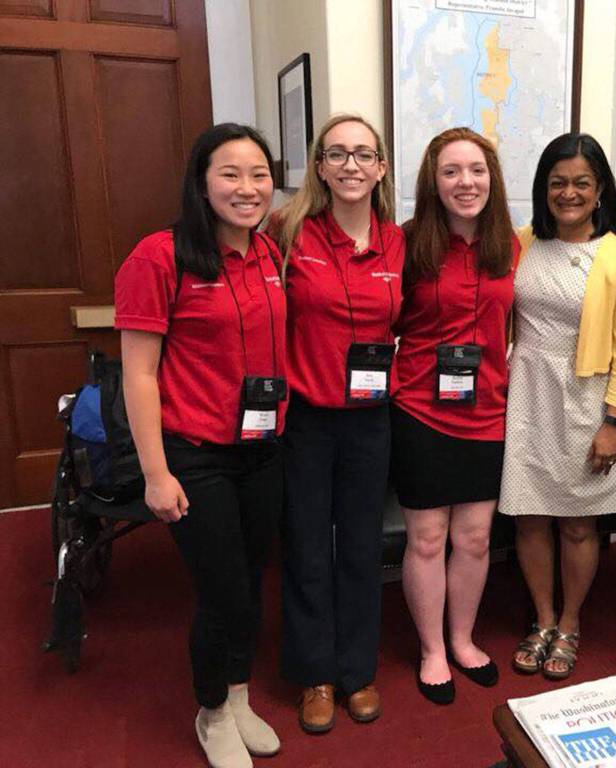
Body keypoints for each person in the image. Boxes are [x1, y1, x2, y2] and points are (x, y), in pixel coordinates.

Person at [116, 123, 285, 768]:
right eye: (230, 174)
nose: (248, 188)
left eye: (259, 175)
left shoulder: (268, 252)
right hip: (195, 453)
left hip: (263, 447)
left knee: (253, 579)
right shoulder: (160, 256)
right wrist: (156, 474)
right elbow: (139, 373)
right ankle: (211, 710)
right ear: (202, 182)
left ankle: (239, 695)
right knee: (222, 591)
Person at [268, 114, 404, 732]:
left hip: (370, 419)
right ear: (320, 167)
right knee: (305, 545)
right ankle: (314, 674)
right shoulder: (288, 232)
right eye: (338, 154)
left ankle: (357, 671)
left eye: (363, 154)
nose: (351, 165)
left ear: (381, 168)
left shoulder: (397, 242)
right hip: (306, 418)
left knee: (360, 545)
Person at [500, 133, 616, 680]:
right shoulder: (522, 242)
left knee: (579, 526)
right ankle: (541, 618)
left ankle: (570, 621)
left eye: (582, 182)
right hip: (527, 394)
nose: (569, 193)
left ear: (600, 188)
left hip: (587, 399)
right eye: (558, 182)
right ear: (543, 187)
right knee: (530, 518)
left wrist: (613, 422)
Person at [391, 127, 518, 704]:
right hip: (420, 409)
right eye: (451, 171)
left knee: (475, 538)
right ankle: (431, 650)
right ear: (433, 182)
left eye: (476, 170)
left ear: (492, 179)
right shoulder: (406, 245)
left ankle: (462, 639)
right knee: (426, 538)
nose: (465, 182)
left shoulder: (509, 246)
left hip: (488, 410)